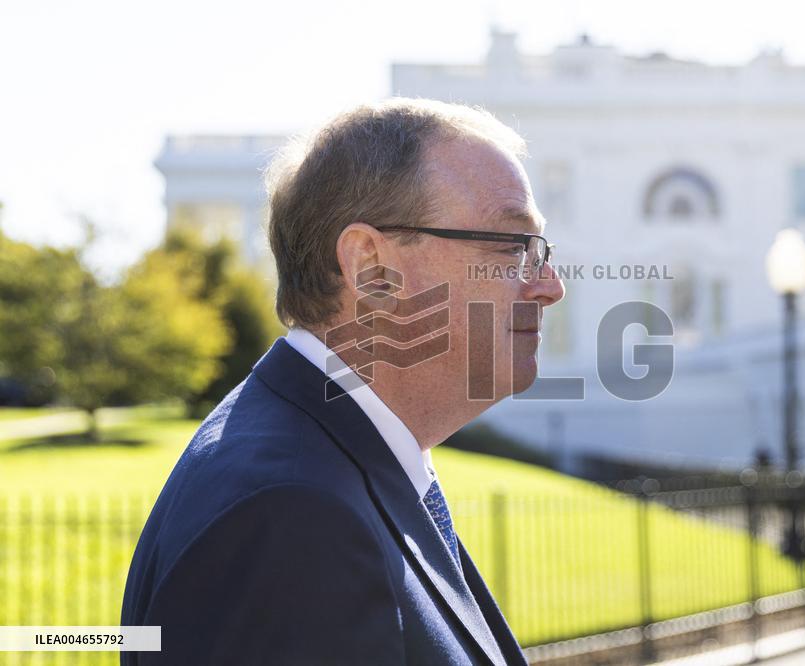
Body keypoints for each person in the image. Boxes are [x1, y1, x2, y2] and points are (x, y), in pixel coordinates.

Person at [120, 98, 566, 665]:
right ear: (371, 267)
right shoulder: (291, 516)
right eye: (510, 246)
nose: (548, 285)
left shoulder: (333, 463)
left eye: (539, 250)